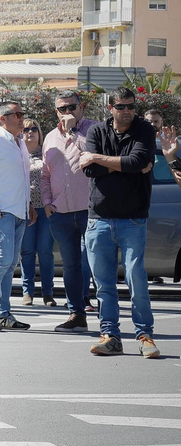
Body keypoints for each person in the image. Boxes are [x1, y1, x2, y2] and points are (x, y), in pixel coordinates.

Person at [83, 88, 160, 357]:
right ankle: (110, 336)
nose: (127, 110)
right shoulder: (95, 132)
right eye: (121, 106)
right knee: (103, 284)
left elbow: (137, 160)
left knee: (136, 279)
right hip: (99, 220)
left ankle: (144, 335)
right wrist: (125, 165)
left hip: (133, 219)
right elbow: (89, 170)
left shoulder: (144, 130)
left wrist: (98, 158)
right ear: (110, 108)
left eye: (130, 106)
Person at [43, 91, 95, 331]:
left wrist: (74, 131)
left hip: (91, 210)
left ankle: (108, 319)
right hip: (60, 213)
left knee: (98, 264)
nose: (67, 113)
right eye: (62, 109)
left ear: (81, 107)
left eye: (72, 107)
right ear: (56, 111)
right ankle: (76, 314)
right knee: (71, 266)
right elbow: (45, 174)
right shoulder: (50, 137)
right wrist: (46, 202)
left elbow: (90, 157)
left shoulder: (95, 130)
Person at [20, 118, 56, 307]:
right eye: (26, 129)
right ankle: (28, 292)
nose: (31, 132)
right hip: (25, 209)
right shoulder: (17, 154)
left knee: (45, 252)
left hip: (46, 208)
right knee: (27, 252)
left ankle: (48, 293)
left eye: (34, 128)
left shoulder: (47, 153)